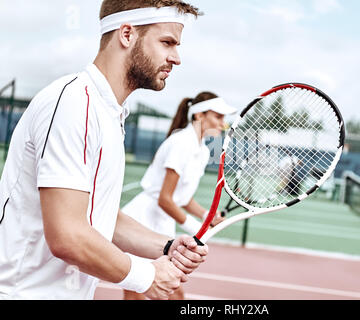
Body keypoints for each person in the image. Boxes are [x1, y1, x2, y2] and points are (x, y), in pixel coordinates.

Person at [0, 0, 209, 300]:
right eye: (167, 43)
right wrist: (146, 276)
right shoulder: (75, 104)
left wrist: (166, 246)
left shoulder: (108, 114)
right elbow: (68, 235)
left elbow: (98, 216)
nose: (176, 58)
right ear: (127, 34)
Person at [122, 92, 236, 300]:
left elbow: (181, 198)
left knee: (141, 290)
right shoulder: (181, 143)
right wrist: (193, 227)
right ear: (199, 115)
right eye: (218, 117)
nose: (223, 124)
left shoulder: (201, 149)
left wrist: (205, 216)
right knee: (165, 291)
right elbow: (164, 199)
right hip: (143, 220)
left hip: (160, 221)